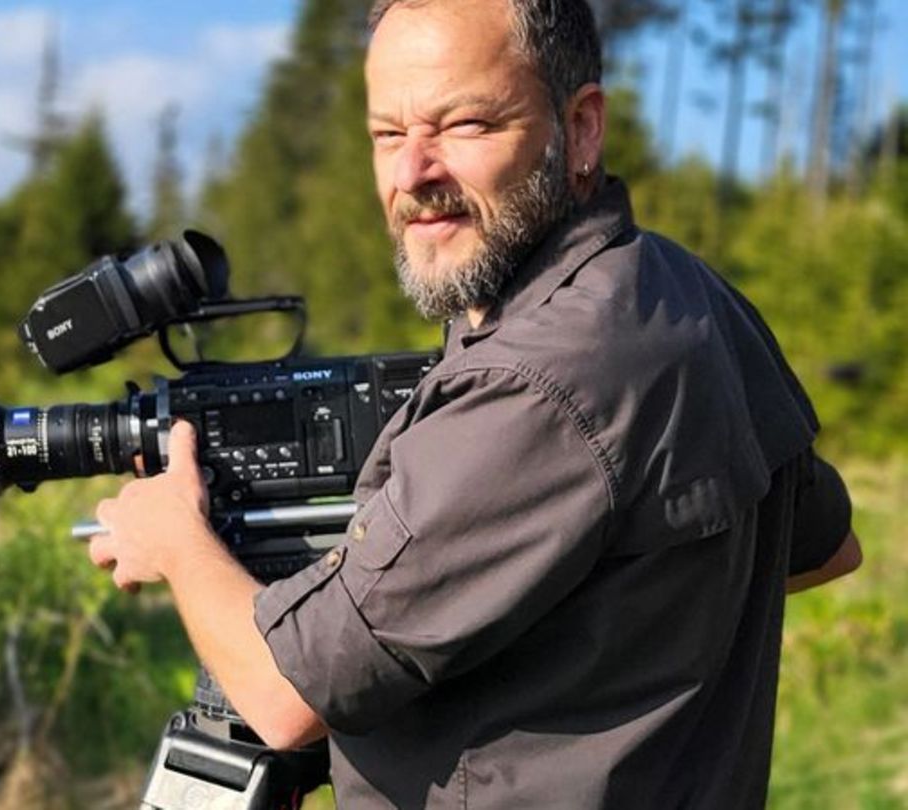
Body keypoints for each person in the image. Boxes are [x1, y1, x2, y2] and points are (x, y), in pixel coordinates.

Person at [86, 0, 861, 806]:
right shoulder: (685, 293)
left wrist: (173, 537)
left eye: (465, 126)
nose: (415, 174)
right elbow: (821, 549)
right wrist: (514, 604)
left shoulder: (533, 381)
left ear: (582, 128)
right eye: (389, 135)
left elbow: (287, 697)